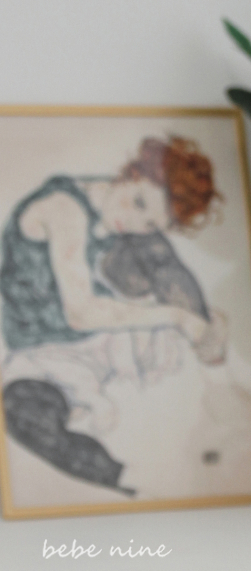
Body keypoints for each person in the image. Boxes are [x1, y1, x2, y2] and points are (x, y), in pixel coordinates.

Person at [0, 135, 227, 492]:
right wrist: (176, 317)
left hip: (99, 341)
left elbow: (158, 259)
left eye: (150, 222)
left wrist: (191, 319)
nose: (133, 220)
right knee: (25, 416)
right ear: (131, 174)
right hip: (41, 349)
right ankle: (128, 479)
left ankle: (212, 349)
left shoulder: (121, 216)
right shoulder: (64, 207)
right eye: (138, 202)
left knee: (154, 251)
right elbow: (81, 313)